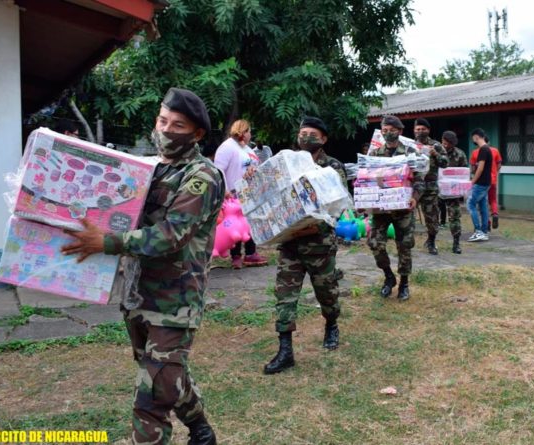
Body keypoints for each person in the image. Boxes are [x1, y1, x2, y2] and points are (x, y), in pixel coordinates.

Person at [61, 88, 224, 445]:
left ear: (196, 134)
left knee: (151, 396)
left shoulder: (202, 175)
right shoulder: (145, 169)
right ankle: (200, 428)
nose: (166, 129)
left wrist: (107, 242)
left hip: (175, 300)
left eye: (177, 125)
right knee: (162, 375)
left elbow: (172, 234)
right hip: (137, 290)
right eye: (162, 120)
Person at [264, 116, 345, 374]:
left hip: (319, 244)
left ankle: (331, 324)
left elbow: (337, 206)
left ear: (323, 139)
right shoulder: (285, 162)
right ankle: (285, 351)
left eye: (312, 133)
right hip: (290, 243)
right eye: (303, 133)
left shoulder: (333, 166)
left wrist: (316, 225)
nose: (306, 137)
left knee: (327, 293)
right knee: (284, 297)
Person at [367, 115, 425, 301]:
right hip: (381, 209)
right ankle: (389, 277)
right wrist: (364, 201)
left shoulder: (410, 153)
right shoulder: (375, 154)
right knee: (374, 242)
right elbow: (366, 180)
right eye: (384, 131)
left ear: (400, 131)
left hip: (403, 208)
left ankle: (404, 283)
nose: (387, 133)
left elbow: (419, 181)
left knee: (404, 246)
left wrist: (415, 198)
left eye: (391, 130)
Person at [214, 119, 268, 269]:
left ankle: (251, 254)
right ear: (243, 131)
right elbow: (218, 170)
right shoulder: (227, 147)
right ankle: (236, 256)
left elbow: (253, 167)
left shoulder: (247, 150)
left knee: (250, 223)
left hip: (249, 193)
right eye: (249, 131)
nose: (251, 134)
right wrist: (223, 189)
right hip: (232, 194)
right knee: (235, 225)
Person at [413, 118, 448, 255]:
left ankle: (431, 241)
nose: (420, 132)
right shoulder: (408, 145)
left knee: (432, 216)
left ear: (428, 130)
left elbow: (445, 163)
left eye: (423, 129)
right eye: (418, 129)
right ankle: (406, 243)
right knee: (407, 216)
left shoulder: (436, 145)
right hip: (413, 187)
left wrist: (436, 154)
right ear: (414, 131)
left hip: (430, 187)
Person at [440, 131, 468, 254]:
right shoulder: (436, 151)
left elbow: (465, 172)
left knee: (455, 217)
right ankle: (431, 241)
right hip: (437, 191)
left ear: (453, 143)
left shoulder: (460, 154)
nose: (445, 145)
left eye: (448, 144)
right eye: (444, 142)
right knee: (432, 218)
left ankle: (456, 243)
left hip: (452, 191)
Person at [470, 136, 503, 229]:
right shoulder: (495, 151)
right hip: (492, 180)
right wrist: (494, 172)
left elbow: (473, 168)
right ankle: (495, 214)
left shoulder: (475, 152)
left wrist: (474, 178)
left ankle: (487, 222)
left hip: (482, 181)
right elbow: (499, 165)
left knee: (482, 202)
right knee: (493, 199)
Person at [467, 128, 492, 242]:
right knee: (483, 207)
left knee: (470, 204)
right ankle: (484, 231)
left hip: (481, 182)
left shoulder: (483, 150)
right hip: (486, 182)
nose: (473, 140)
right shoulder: (488, 149)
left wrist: (472, 181)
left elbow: (480, 168)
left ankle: (478, 231)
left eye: (473, 137)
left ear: (476, 137)